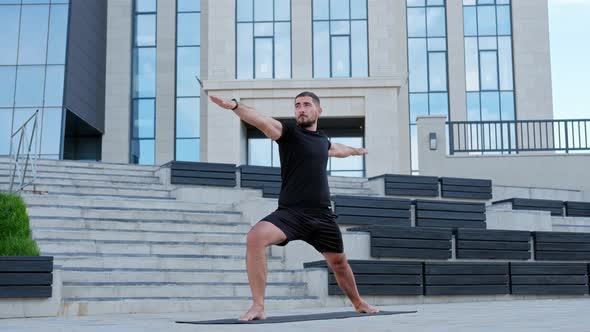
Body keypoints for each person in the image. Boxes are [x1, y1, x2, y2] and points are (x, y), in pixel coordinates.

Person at [209, 91, 379, 321]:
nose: (301, 108)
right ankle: (258, 306)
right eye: (297, 105)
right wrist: (235, 106)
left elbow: (338, 149)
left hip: (322, 216)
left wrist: (356, 151)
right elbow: (261, 120)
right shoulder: (288, 133)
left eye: (307, 104)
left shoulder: (322, 141)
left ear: (319, 110)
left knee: (339, 263)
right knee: (255, 238)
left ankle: (358, 303)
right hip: (291, 213)